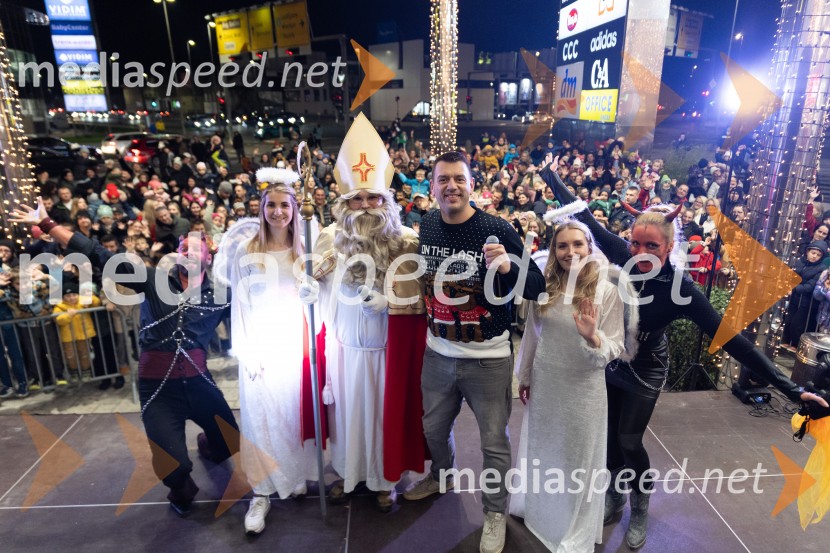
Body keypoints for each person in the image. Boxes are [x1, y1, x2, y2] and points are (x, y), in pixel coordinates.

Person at [538, 157, 828, 550]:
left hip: (646, 368)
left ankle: (640, 506)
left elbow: (734, 341)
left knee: (628, 440)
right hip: (611, 359)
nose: (640, 251)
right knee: (608, 439)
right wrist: (550, 175)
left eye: (651, 246)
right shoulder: (622, 254)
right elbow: (583, 214)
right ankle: (615, 494)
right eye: (635, 242)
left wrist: (792, 389)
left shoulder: (683, 291)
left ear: (670, 246)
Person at [11, 199, 240, 518]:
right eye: (183, 247)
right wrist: (48, 225)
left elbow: (256, 314)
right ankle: (181, 489)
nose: (188, 252)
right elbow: (99, 255)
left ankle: (207, 443)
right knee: (173, 469)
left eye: (196, 248)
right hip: (158, 391)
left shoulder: (222, 296)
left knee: (230, 443)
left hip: (201, 386)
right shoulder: (152, 280)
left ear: (209, 257)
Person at [404, 151, 546, 553]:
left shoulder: (495, 228)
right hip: (438, 354)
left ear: (471, 185)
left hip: (488, 358)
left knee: (493, 442)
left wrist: (508, 268)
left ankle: (495, 512)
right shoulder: (428, 224)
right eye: (443, 179)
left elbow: (536, 286)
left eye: (459, 179)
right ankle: (442, 475)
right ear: (432, 187)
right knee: (433, 429)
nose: (451, 186)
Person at [308, 113, 428, 512]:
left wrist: (390, 303)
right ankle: (348, 474)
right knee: (346, 418)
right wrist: (308, 290)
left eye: (373, 198)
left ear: (386, 201)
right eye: (356, 199)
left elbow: (421, 297)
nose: (364, 206)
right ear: (344, 203)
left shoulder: (406, 241)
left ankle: (384, 479)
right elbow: (317, 285)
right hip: (343, 350)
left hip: (384, 352)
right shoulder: (329, 238)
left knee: (381, 418)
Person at [510, 219, 628, 552]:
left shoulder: (606, 290)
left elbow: (615, 346)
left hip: (583, 388)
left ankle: (571, 527)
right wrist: (525, 374)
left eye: (578, 244)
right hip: (547, 381)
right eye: (562, 245)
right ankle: (540, 512)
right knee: (544, 448)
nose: (570, 251)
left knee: (577, 458)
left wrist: (592, 336)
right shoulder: (544, 286)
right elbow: (533, 335)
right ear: (554, 250)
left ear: (590, 247)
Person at [228, 167, 326, 534]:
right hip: (260, 346)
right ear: (262, 208)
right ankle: (261, 493)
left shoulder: (305, 250)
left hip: (294, 346)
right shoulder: (246, 251)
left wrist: (313, 295)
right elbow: (238, 306)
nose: (278, 212)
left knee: (290, 417)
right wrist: (246, 351)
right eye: (272, 205)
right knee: (260, 421)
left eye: (285, 205)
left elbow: (320, 302)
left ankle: (294, 476)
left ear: (295, 210)